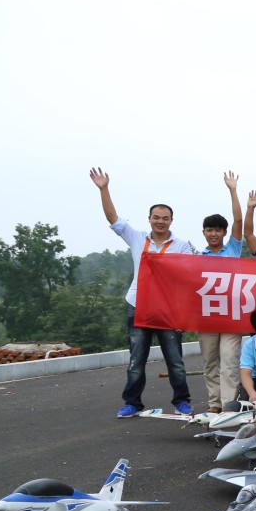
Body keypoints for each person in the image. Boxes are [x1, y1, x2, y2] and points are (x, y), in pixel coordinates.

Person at [89, 167, 195, 418]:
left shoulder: (181, 246)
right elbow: (112, 218)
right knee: (137, 361)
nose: (160, 221)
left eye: (165, 217)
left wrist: (183, 315)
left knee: (175, 361)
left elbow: (187, 280)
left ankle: (182, 401)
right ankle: (132, 403)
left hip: (168, 310)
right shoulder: (137, 238)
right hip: (138, 305)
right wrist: (104, 189)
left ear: (171, 220)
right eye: (156, 217)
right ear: (149, 219)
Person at [196, 171, 245, 413]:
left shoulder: (233, 250)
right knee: (210, 363)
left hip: (231, 317)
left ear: (224, 233)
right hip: (206, 317)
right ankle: (214, 405)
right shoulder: (196, 260)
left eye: (218, 229)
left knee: (229, 363)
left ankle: (228, 406)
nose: (214, 233)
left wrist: (233, 190)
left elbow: (239, 222)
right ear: (204, 232)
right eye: (209, 229)